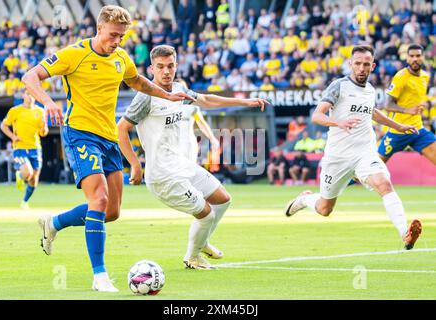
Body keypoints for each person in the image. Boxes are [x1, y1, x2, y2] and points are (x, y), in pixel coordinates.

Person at [21, 5, 195, 292]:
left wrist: (168, 95)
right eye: (113, 35)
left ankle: (54, 223)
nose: (117, 41)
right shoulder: (73, 54)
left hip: (108, 136)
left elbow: (137, 81)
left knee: (111, 211)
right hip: (80, 134)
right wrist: (48, 102)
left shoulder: (121, 57)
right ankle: (99, 276)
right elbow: (31, 77)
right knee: (99, 199)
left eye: (122, 37)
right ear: (99, 28)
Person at [118, 45, 268, 270]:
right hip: (163, 175)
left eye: (170, 66)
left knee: (223, 199)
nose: (166, 71)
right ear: (151, 69)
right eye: (160, 67)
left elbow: (207, 100)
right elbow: (121, 129)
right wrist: (134, 166)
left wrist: (245, 101)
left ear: (176, 66)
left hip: (182, 166)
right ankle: (193, 257)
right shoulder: (146, 97)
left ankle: (202, 240)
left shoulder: (179, 89)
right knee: (206, 214)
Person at [284, 45, 422, 251]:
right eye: (357, 63)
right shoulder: (338, 86)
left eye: (366, 64)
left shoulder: (369, 90)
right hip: (337, 157)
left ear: (372, 66)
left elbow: (373, 112)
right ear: (350, 64)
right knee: (324, 209)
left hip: (364, 153)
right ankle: (304, 200)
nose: (361, 68)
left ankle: (405, 233)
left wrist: (398, 126)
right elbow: (317, 115)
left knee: (384, 184)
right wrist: (338, 123)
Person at [378, 44, 436, 165]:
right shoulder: (401, 77)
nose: (415, 59)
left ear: (423, 57)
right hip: (398, 131)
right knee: (371, 169)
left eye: (418, 55)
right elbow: (387, 105)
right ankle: (340, 181)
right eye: (412, 56)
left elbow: (415, 98)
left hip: (417, 130)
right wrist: (406, 110)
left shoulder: (425, 76)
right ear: (407, 58)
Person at [0, 90, 48, 208]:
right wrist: (12, 137)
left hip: (36, 148)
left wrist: (44, 126)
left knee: (34, 179)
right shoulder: (15, 110)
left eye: (32, 94)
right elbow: (3, 125)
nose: (30, 97)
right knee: (28, 173)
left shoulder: (40, 111)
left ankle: (24, 202)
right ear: (23, 95)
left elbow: (43, 133)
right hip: (20, 147)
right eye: (28, 94)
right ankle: (20, 175)